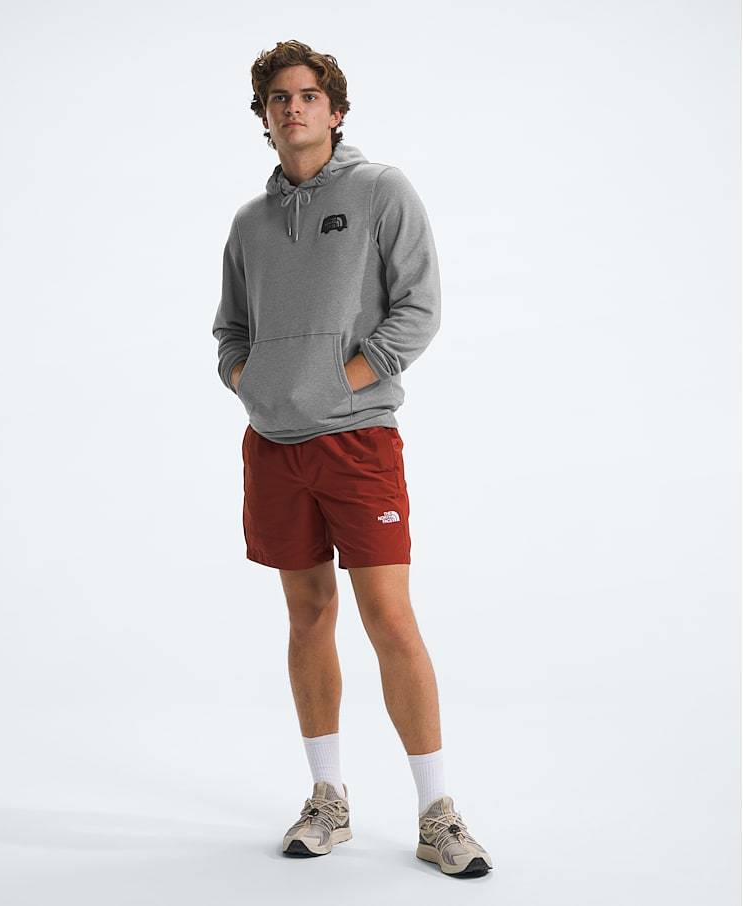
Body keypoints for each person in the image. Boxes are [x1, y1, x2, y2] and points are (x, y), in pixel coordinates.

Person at [212, 39, 493, 878]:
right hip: (274, 448)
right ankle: (327, 797)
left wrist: (344, 378)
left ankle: (437, 813)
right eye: (279, 99)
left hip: (359, 442)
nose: (293, 108)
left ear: (335, 111)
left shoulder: (380, 191)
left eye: (308, 96)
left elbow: (419, 308)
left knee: (389, 619)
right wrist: (253, 380)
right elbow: (230, 330)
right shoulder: (249, 223)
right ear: (264, 118)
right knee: (307, 618)